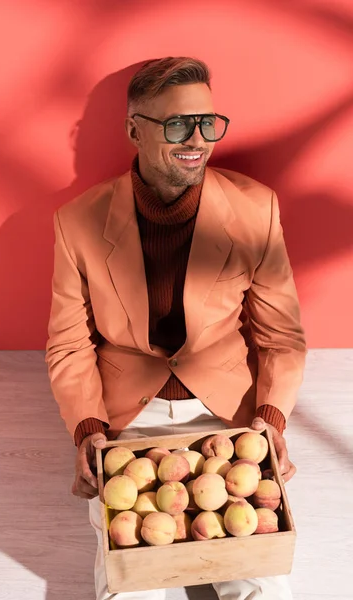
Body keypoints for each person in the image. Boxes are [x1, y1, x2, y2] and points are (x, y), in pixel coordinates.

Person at [46, 56, 306, 600]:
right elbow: (70, 342)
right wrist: (87, 428)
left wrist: (271, 418)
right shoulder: (77, 221)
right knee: (130, 580)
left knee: (258, 579)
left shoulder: (256, 209)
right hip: (126, 423)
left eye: (208, 121)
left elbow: (281, 336)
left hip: (230, 420)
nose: (198, 138)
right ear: (133, 129)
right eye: (178, 124)